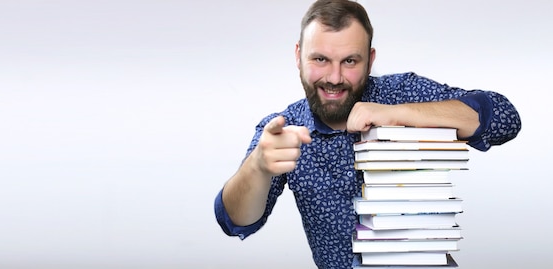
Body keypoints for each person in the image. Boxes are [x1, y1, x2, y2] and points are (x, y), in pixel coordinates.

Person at [213, 0, 521, 268]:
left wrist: (397, 114)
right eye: (320, 59)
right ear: (298, 56)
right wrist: (257, 166)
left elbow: (505, 119)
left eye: (350, 61)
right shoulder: (282, 128)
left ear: (370, 60)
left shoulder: (404, 92)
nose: (334, 78)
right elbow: (235, 221)